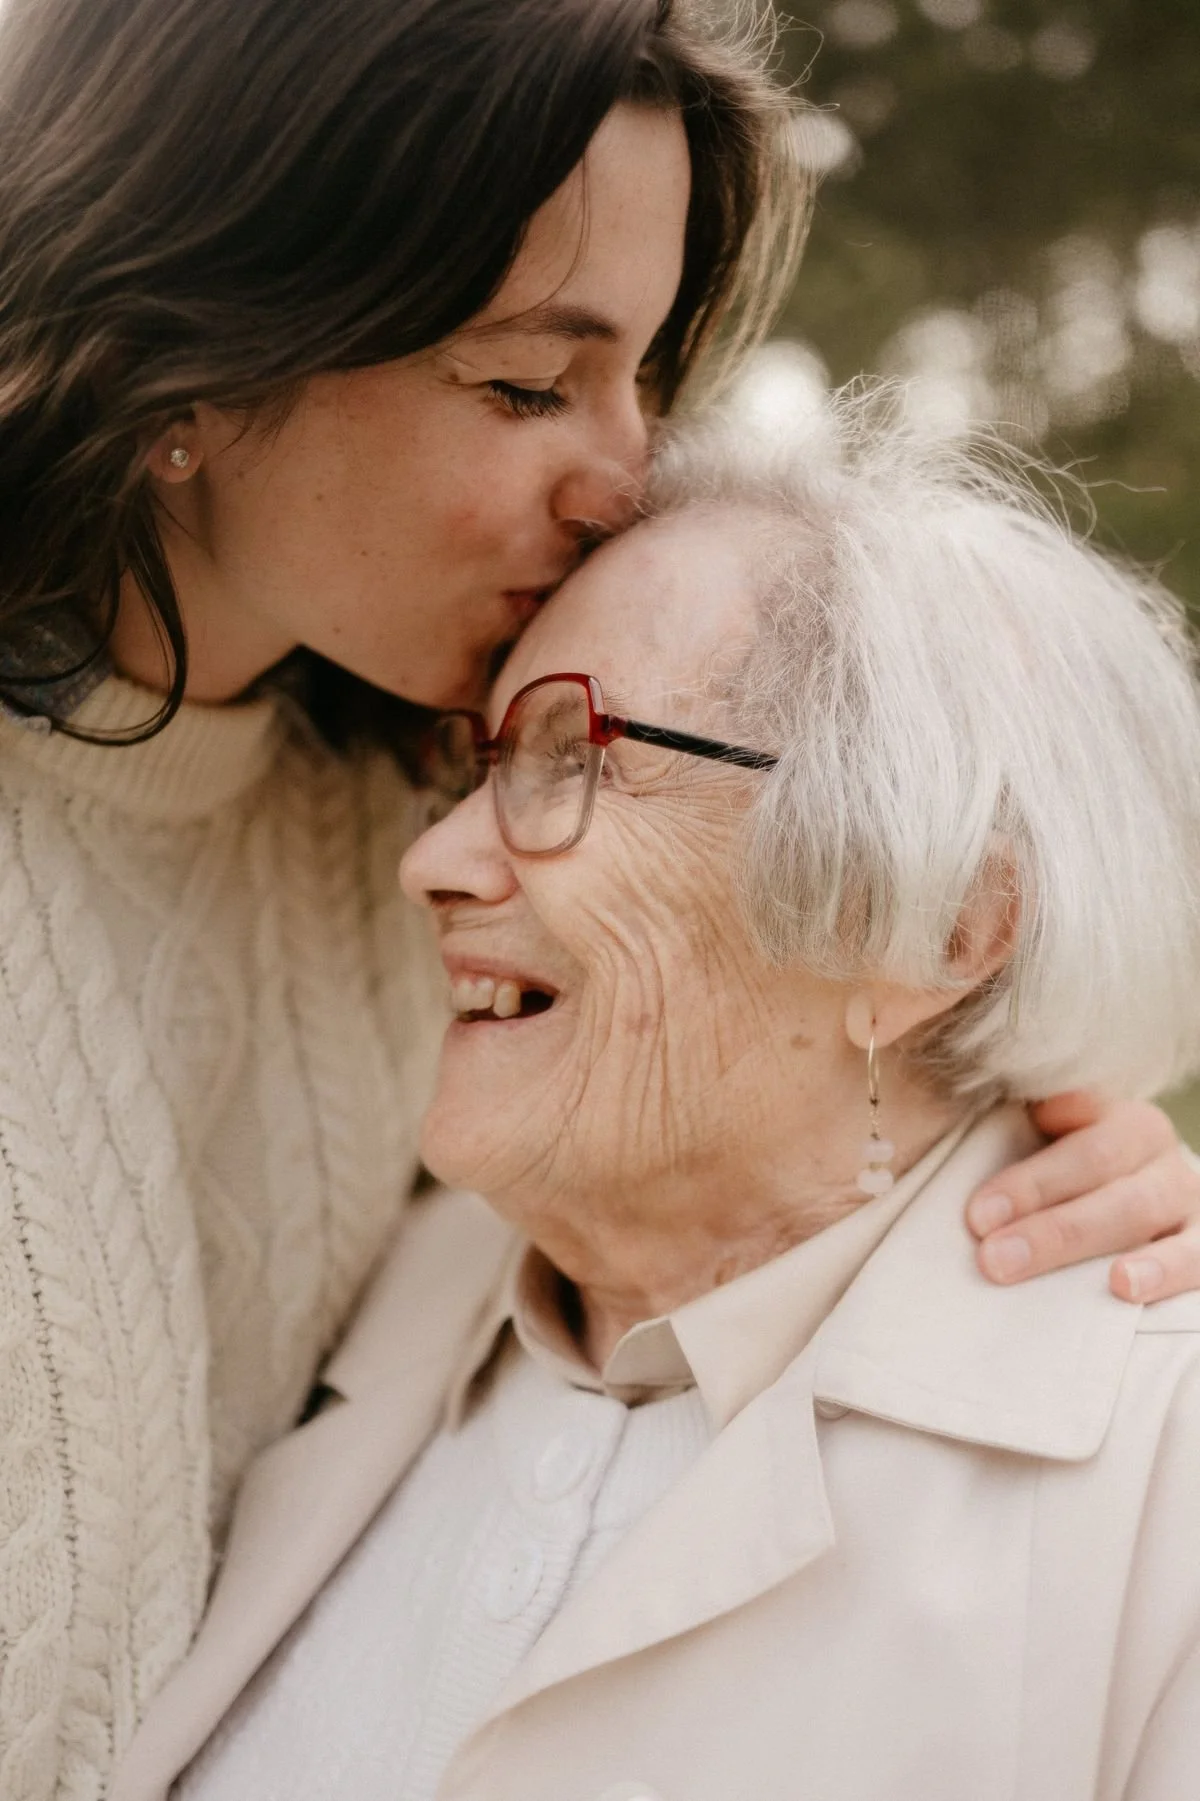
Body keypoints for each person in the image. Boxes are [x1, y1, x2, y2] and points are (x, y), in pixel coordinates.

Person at [0, 2, 1195, 1797]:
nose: (624, 474)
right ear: (191, 364)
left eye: (644, 372)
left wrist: (1049, 1132)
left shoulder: (393, 811)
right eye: (523, 381)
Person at [131, 392, 1200, 1801]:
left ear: (932, 928)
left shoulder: (1160, 1476)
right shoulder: (354, 1276)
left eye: (573, 758)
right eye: (482, 763)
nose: (434, 860)